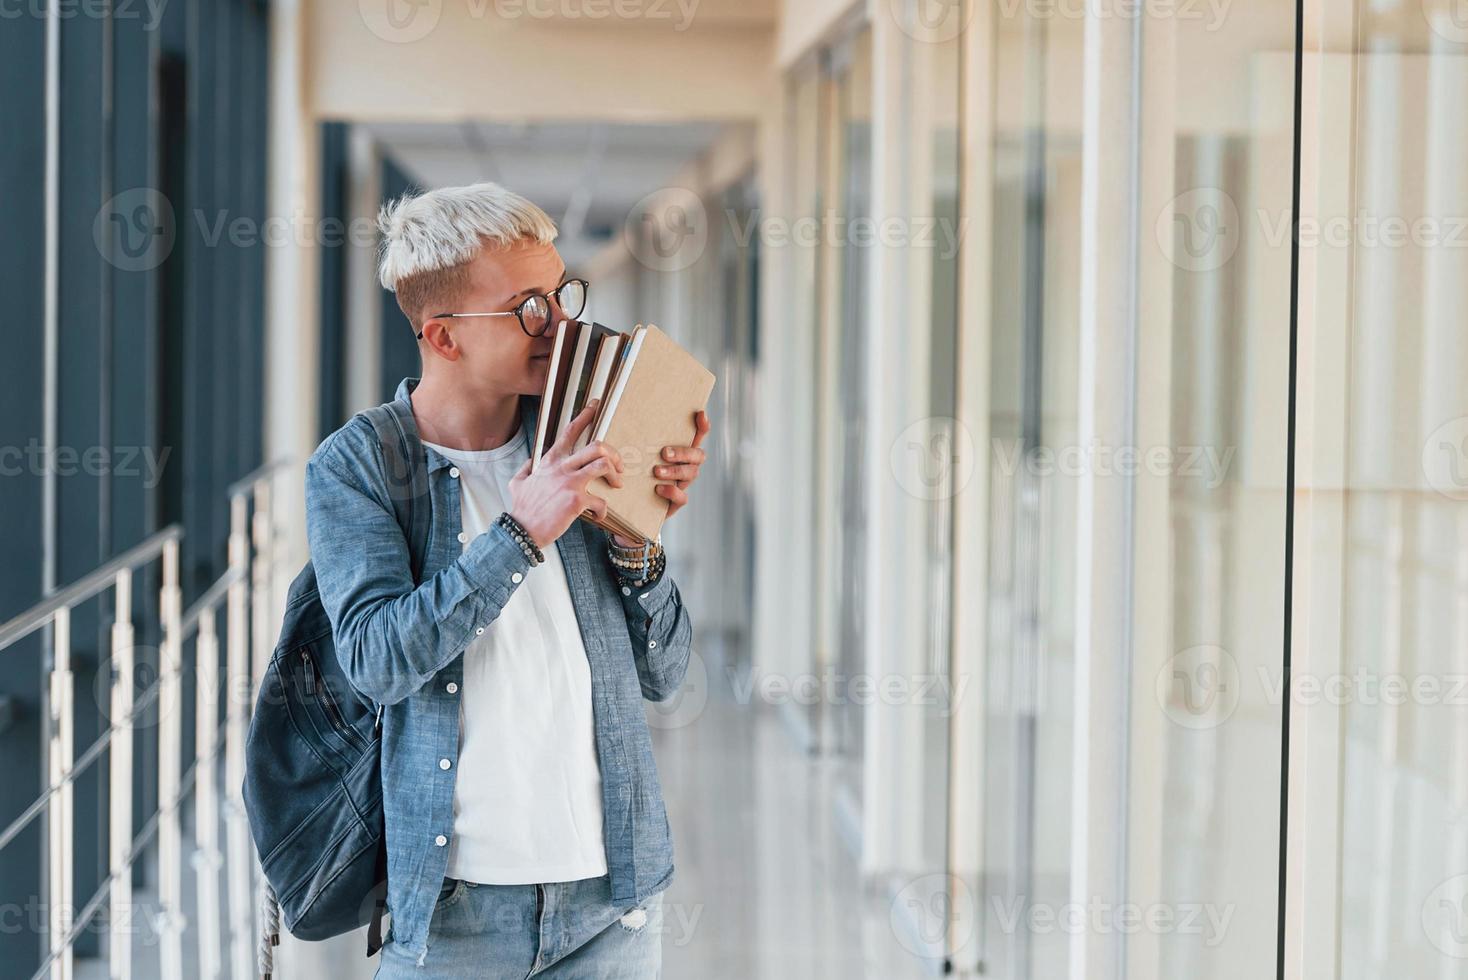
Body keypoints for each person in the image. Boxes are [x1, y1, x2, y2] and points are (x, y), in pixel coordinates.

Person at [304, 181, 708, 978]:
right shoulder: (359, 467)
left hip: (612, 904)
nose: (561, 325)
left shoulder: (584, 432)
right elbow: (378, 661)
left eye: (563, 294)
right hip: (455, 915)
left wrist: (638, 534)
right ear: (443, 336)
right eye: (530, 307)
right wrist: (519, 535)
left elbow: (666, 674)